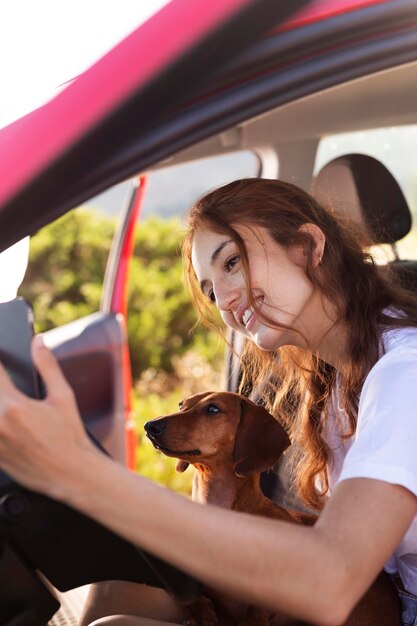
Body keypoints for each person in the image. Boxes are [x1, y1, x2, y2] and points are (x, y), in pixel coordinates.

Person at [0, 177, 416, 626]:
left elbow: (332, 579)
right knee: (110, 602)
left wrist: (81, 475)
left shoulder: (403, 375)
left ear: (307, 245)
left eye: (233, 261)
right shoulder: (337, 381)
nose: (227, 300)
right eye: (212, 290)